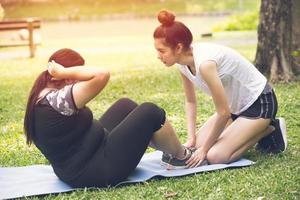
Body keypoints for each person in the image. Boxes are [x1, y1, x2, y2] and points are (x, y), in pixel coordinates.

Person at [23, 48, 196, 188]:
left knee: (125, 105)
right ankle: (181, 156)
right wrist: (66, 71)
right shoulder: (57, 101)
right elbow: (102, 74)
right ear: (66, 77)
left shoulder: (43, 93)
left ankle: (167, 150)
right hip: (95, 170)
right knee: (150, 111)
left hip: (86, 155)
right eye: (77, 75)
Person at [153, 10, 287, 168]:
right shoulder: (182, 63)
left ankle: (269, 128)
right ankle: (244, 128)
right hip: (234, 110)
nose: (158, 56)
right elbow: (190, 101)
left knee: (214, 156)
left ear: (178, 47)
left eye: (161, 51)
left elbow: (223, 113)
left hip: (259, 104)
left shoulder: (206, 64)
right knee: (195, 147)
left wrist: (204, 149)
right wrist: (192, 139)